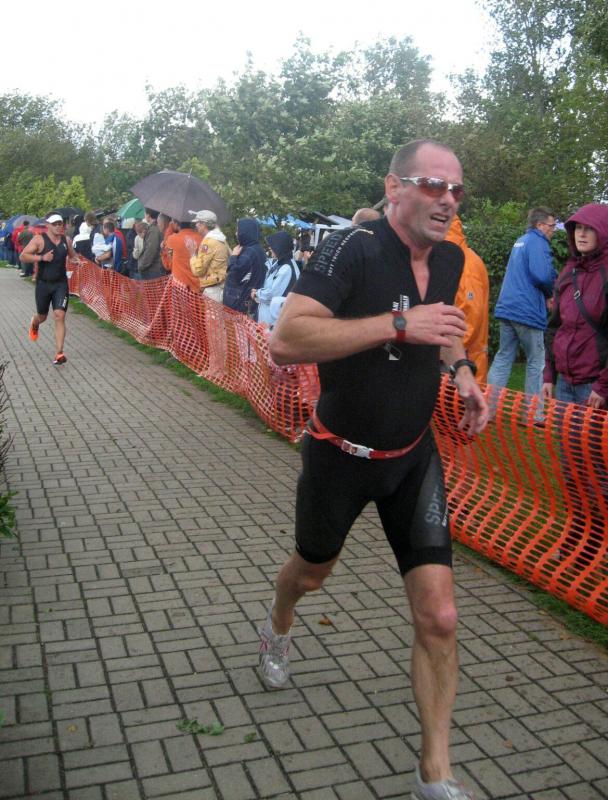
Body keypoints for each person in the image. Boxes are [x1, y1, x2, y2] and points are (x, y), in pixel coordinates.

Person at [259, 140, 488, 800]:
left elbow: (442, 326)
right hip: (340, 455)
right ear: (394, 187)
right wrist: (396, 324)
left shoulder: (450, 259)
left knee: (440, 616)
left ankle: (434, 773)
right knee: (311, 574)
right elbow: (286, 340)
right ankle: (278, 623)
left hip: (413, 458)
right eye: (432, 184)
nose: (448, 199)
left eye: (457, 189)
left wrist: (463, 372)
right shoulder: (350, 250)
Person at [542, 203, 608, 565]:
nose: (581, 234)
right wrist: (548, 375)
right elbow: (555, 327)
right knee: (572, 468)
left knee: (597, 470)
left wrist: (603, 387)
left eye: (588, 228)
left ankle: (598, 541)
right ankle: (580, 538)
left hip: (595, 388)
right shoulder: (568, 271)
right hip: (566, 384)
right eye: (576, 229)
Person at [487, 208, 557, 414]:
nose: (553, 230)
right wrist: (550, 293)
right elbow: (541, 275)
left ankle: (488, 409)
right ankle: (534, 415)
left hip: (507, 309)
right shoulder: (538, 243)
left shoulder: (521, 241)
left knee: (503, 358)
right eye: (552, 226)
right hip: (527, 311)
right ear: (540, 225)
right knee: (536, 361)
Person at [21, 213, 77, 365]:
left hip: (60, 284)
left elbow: (72, 255)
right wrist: (41, 258)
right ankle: (35, 322)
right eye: (55, 224)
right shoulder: (39, 240)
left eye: (60, 223)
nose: (59, 226)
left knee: (59, 315)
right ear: (48, 225)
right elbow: (23, 256)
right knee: (43, 316)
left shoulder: (66, 240)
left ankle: (59, 353)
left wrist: (76, 261)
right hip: (43, 284)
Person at [445, 215, 490, 384]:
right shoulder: (450, 258)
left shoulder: (463, 264)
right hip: (459, 361)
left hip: (465, 364)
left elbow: (470, 318)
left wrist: (443, 350)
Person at [251, 231, 300, 327]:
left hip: (273, 322)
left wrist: (257, 293)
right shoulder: (283, 263)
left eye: (273, 245)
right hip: (272, 319)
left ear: (280, 247)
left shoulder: (286, 268)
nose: (270, 248)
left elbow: (273, 295)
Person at [223, 218, 266, 318]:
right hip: (248, 302)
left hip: (239, 304)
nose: (236, 233)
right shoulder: (258, 249)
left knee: (234, 328)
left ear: (245, 232)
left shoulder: (249, 252)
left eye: (238, 230)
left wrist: (233, 257)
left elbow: (234, 275)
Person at [187, 210, 230, 300]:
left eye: (198, 222)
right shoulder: (220, 238)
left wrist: (192, 254)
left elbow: (198, 270)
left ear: (204, 224)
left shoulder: (208, 242)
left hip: (213, 290)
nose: (196, 225)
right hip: (221, 285)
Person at [164, 219, 202, 292]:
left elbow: (168, 264)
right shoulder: (201, 238)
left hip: (179, 285)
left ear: (176, 224)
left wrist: (170, 227)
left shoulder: (172, 239)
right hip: (198, 286)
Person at [138, 209, 165, 280]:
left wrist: (142, 266)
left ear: (148, 215)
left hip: (153, 270)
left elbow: (151, 250)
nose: (144, 215)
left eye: (145, 213)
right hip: (156, 268)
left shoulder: (153, 230)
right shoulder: (155, 227)